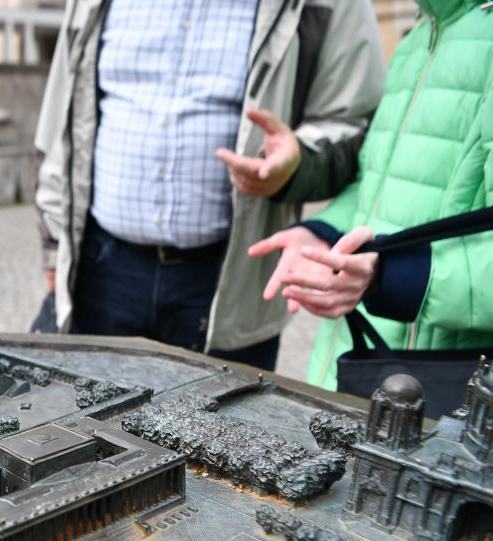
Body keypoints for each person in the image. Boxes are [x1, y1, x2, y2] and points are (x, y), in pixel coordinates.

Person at [34, 0, 386, 370]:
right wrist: (53, 243)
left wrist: (298, 163)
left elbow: (358, 123)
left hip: (231, 278)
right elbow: (60, 112)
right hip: (100, 267)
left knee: (226, 409)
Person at [249, 0, 493, 389]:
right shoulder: (416, 40)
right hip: (355, 369)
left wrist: (393, 275)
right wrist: (322, 233)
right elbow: (373, 189)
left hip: (443, 391)